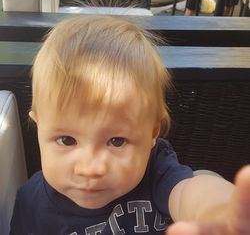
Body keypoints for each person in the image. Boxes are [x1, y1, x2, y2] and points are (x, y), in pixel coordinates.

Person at [10, 15, 250, 235]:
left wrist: (218, 212)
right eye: (66, 140)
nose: (91, 168)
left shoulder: (154, 170)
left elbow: (188, 192)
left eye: (117, 141)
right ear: (39, 127)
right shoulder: (32, 204)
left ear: (152, 134)